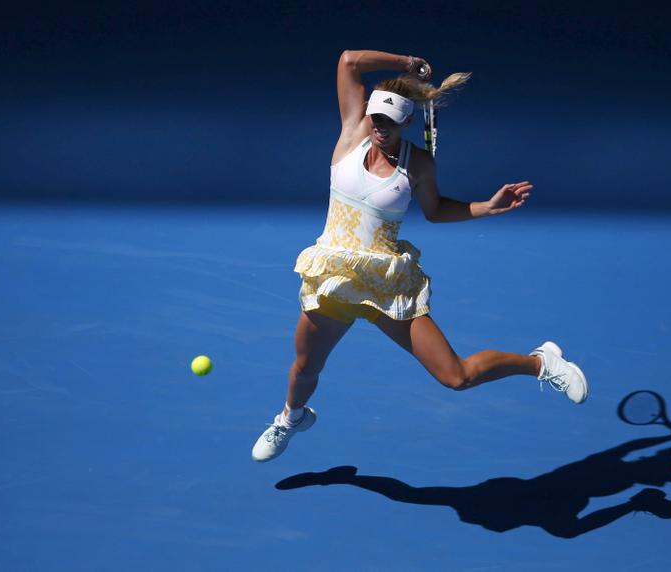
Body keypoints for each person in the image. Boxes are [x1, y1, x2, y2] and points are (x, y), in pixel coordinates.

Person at [252, 50, 588, 462]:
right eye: (376, 119)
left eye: (390, 124)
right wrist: (406, 62)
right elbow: (348, 62)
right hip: (335, 278)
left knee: (456, 377)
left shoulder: (418, 164)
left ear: (407, 122)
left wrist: (487, 206)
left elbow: (435, 211)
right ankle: (291, 418)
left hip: (386, 284)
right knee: (305, 368)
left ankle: (541, 362)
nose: (380, 128)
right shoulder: (353, 132)